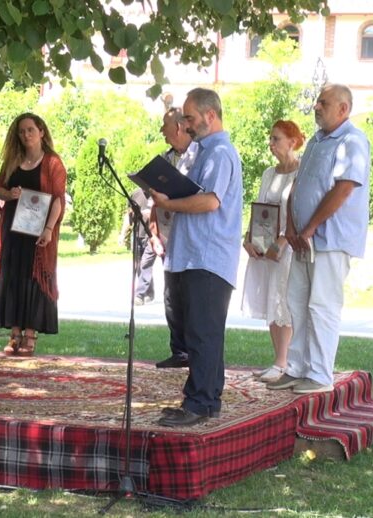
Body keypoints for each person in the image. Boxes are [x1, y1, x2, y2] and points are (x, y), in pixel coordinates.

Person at [268, 84, 371, 394]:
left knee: (321, 306)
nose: (316, 107)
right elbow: (298, 185)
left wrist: (310, 226)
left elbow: (343, 189)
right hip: (303, 237)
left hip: (329, 239)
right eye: (317, 102)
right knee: (296, 301)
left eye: (324, 103)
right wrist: (290, 224)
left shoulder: (352, 141)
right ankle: (297, 367)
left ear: (343, 109)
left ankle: (320, 375)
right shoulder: (316, 140)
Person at [149, 88, 242, 427]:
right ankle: (207, 399)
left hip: (208, 255)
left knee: (203, 331)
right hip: (196, 254)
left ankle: (200, 402)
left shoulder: (219, 153)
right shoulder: (204, 152)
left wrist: (167, 203)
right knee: (202, 331)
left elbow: (210, 202)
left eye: (189, 117)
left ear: (210, 115)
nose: (185, 125)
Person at [0, 113, 67, 356]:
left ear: (41, 131)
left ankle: (30, 334)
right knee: (13, 276)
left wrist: (48, 230)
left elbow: (58, 200)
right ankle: (15, 333)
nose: (26, 135)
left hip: (38, 232)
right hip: (13, 229)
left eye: (30, 130)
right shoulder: (13, 160)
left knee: (33, 278)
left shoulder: (53, 163)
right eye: (22, 131)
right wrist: (9, 194)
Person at [242, 121, 305, 383]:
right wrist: (249, 237)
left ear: (292, 142)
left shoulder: (301, 173)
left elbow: (299, 211)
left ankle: (284, 362)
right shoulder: (269, 173)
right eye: (270, 138)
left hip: (286, 246)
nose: (271, 143)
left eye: (276, 139)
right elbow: (260, 207)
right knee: (270, 298)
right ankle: (277, 360)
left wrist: (282, 240)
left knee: (284, 301)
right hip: (264, 246)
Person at [150, 107, 199, 369]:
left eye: (164, 127)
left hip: (192, 237)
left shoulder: (199, 157)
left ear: (178, 127)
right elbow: (155, 202)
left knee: (191, 296)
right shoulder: (167, 159)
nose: (162, 133)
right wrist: (154, 234)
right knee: (172, 296)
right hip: (168, 237)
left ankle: (195, 352)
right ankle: (178, 349)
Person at [129, 187, 153, 305]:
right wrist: (123, 234)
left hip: (152, 235)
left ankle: (139, 295)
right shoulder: (135, 194)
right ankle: (150, 292)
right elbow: (128, 214)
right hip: (137, 233)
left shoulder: (156, 193)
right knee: (138, 265)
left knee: (145, 263)